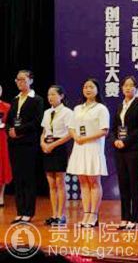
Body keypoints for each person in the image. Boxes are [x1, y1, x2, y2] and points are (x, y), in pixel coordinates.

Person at [66, 78, 110, 228]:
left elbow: (104, 130)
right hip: (79, 147)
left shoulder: (101, 109)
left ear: (97, 90)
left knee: (94, 182)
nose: (88, 89)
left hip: (93, 147)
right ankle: (86, 214)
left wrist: (85, 138)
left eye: (91, 87)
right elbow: (71, 127)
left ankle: (94, 215)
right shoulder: (77, 108)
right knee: (83, 182)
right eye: (85, 87)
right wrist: (76, 137)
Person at [6, 70, 44, 223]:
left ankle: (28, 211)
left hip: (28, 143)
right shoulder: (15, 99)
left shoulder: (37, 100)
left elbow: (37, 121)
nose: (20, 82)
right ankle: (20, 211)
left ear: (30, 80)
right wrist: (10, 130)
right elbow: (9, 120)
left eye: (23, 79)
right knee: (18, 178)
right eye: (17, 80)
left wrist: (19, 131)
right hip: (14, 144)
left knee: (28, 178)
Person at [111, 76, 138, 230]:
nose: (128, 88)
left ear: (136, 89)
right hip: (119, 150)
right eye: (125, 85)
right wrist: (115, 140)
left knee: (134, 184)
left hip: (132, 150)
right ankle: (125, 217)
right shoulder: (120, 106)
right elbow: (114, 128)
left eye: (131, 85)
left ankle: (135, 218)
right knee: (123, 183)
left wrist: (125, 141)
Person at [40, 85, 73, 225]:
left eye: (53, 94)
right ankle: (54, 214)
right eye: (49, 94)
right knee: (51, 183)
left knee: (60, 182)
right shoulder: (47, 112)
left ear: (61, 96)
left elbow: (70, 134)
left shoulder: (67, 112)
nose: (50, 97)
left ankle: (61, 215)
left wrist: (54, 145)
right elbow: (44, 132)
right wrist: (42, 143)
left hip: (59, 148)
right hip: (47, 148)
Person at [0, 85, 13, 207]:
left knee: (2, 165)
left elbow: (10, 123)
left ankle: (1, 196)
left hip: (2, 138)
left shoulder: (7, 106)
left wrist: (4, 126)